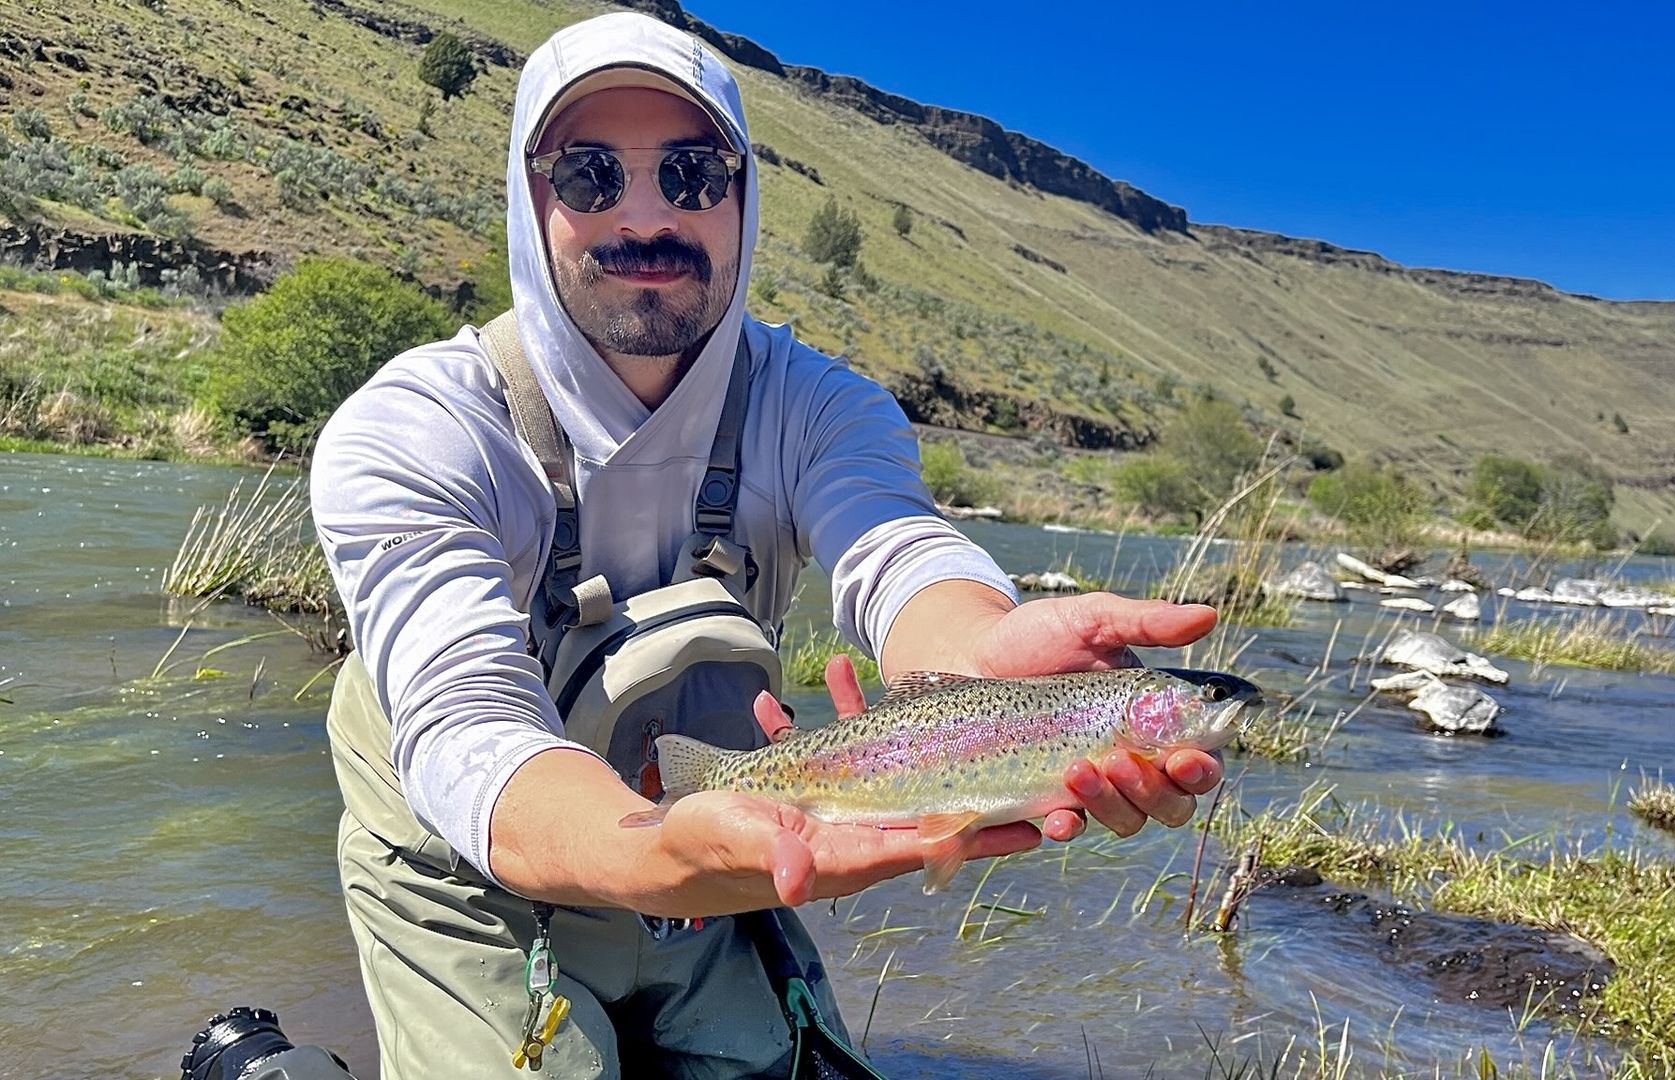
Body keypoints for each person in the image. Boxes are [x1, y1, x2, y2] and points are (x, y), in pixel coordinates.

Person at [310, 10, 1224, 1078]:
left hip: (724, 822)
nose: (646, 218)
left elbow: (898, 554)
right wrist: (658, 850)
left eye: (693, 174)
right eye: (592, 174)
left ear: (745, 197)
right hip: (469, 862)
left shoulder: (823, 407)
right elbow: (469, 731)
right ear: (532, 198)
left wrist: (982, 655)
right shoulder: (416, 428)